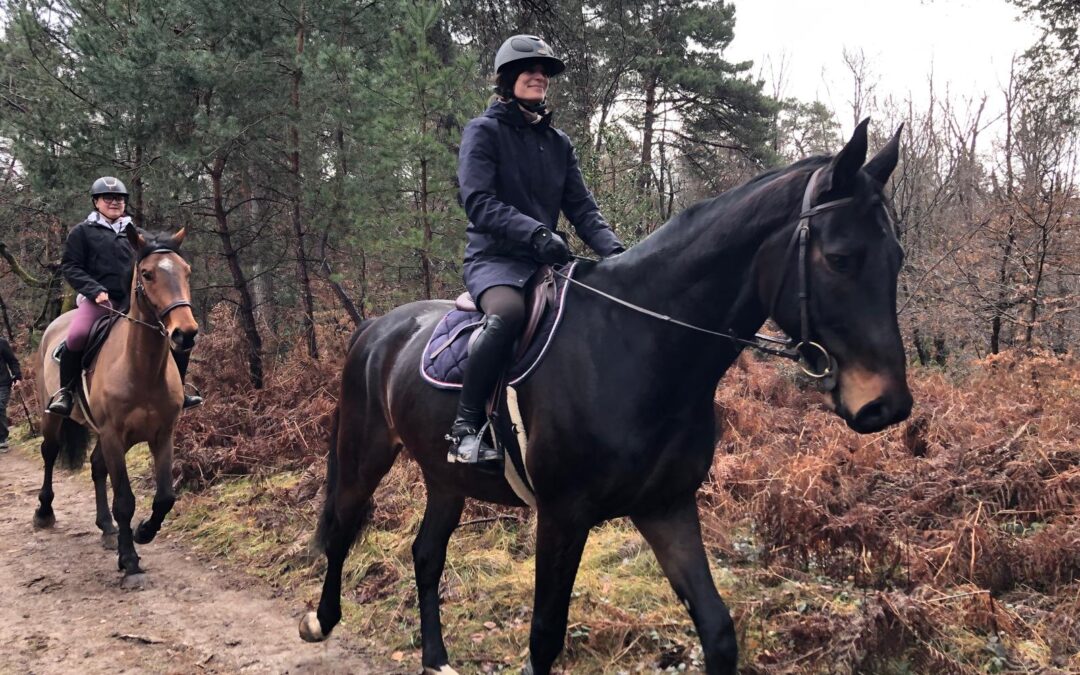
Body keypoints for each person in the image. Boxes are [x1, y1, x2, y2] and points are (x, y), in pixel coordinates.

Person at [448, 35, 625, 466]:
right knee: (507, 314)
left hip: (543, 263)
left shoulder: (559, 143)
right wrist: (535, 234)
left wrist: (619, 256)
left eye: (544, 71)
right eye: (529, 69)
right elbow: (478, 202)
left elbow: (582, 209)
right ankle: (465, 429)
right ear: (508, 79)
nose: (539, 76)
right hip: (494, 261)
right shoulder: (483, 132)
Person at [47, 176, 202, 417]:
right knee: (77, 335)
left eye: (119, 198)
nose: (114, 202)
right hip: (99, 301)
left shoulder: (137, 234)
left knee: (179, 332)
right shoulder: (82, 232)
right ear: (96, 202)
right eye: (108, 198)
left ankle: (179, 389)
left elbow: (156, 263)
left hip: (134, 302)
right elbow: (71, 266)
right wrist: (94, 290)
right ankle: (66, 393)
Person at [0, 334, 22, 452]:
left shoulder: (2, 343)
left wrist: (17, 378)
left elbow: (12, 361)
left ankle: (2, 439)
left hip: (2, 383)